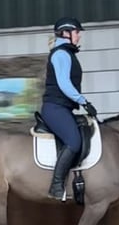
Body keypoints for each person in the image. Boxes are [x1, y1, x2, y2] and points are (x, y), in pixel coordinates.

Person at [41, 16, 98, 200]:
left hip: (63, 108)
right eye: (76, 32)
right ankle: (56, 185)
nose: (79, 36)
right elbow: (64, 84)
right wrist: (84, 101)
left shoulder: (67, 53)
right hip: (54, 108)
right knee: (74, 141)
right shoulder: (61, 54)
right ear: (65, 33)